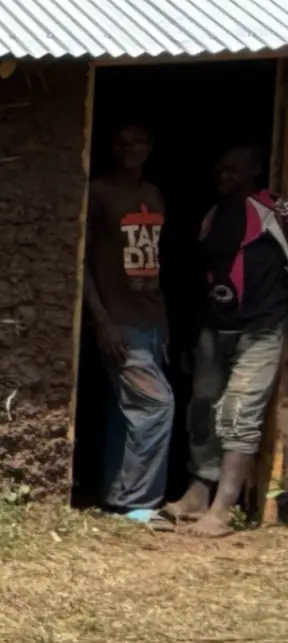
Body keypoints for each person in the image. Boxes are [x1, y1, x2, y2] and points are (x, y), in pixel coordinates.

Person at [171, 146, 287, 537]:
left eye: (234, 169)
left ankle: (222, 510)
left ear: (255, 168)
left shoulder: (274, 210)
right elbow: (204, 276)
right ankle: (199, 491)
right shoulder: (213, 215)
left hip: (261, 328)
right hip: (214, 328)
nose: (225, 175)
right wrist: (196, 332)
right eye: (220, 168)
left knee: (238, 413)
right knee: (202, 411)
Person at [83, 123, 175, 523]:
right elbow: (80, 262)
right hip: (118, 320)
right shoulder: (99, 193)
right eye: (120, 141)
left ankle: (116, 496)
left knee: (129, 412)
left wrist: (165, 322)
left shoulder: (152, 194)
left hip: (150, 319)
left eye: (137, 140)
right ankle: (137, 503)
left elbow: (154, 261)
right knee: (156, 405)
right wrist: (101, 320)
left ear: (150, 146)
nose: (128, 148)